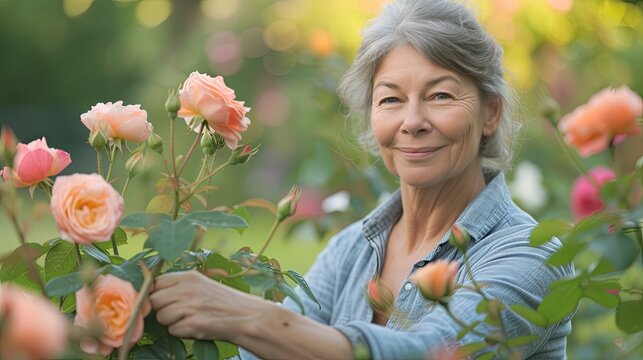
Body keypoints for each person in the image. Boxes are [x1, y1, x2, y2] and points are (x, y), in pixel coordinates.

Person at [149, 0, 574, 358]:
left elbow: (433, 352)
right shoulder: (351, 249)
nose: (412, 122)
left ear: (491, 113)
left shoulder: (532, 254)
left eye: (440, 95)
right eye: (390, 99)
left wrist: (248, 315)